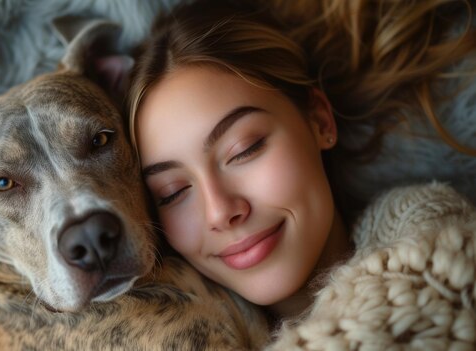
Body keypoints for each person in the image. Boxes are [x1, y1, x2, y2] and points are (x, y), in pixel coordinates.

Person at [126, 0, 476, 348]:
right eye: (171, 192)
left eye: (244, 149)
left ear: (319, 121)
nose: (220, 212)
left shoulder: (431, 234)